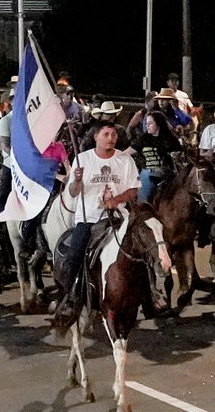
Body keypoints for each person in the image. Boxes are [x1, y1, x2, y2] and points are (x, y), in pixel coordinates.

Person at [54, 122, 139, 320]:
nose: (111, 138)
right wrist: (75, 181)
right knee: (75, 254)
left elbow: (133, 190)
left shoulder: (125, 160)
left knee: (144, 249)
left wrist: (115, 201)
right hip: (89, 219)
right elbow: (74, 193)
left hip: (118, 219)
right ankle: (69, 296)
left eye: (114, 135)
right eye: (106, 134)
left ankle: (150, 294)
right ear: (96, 137)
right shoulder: (82, 159)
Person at [130, 111, 182, 202]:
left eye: (150, 123)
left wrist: (176, 155)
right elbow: (128, 152)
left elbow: (180, 155)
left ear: (158, 123)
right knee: (145, 176)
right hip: (149, 171)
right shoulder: (144, 139)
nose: (147, 126)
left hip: (168, 173)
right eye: (146, 123)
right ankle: (142, 206)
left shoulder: (170, 139)